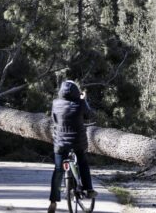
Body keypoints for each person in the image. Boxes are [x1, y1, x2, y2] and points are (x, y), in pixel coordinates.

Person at [48, 80, 97, 213]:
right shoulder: (80, 103)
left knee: (58, 170)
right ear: (76, 92)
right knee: (82, 162)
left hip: (60, 142)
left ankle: (53, 201)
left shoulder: (55, 103)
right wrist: (84, 100)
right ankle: (88, 189)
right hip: (78, 142)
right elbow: (90, 115)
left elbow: (54, 119)